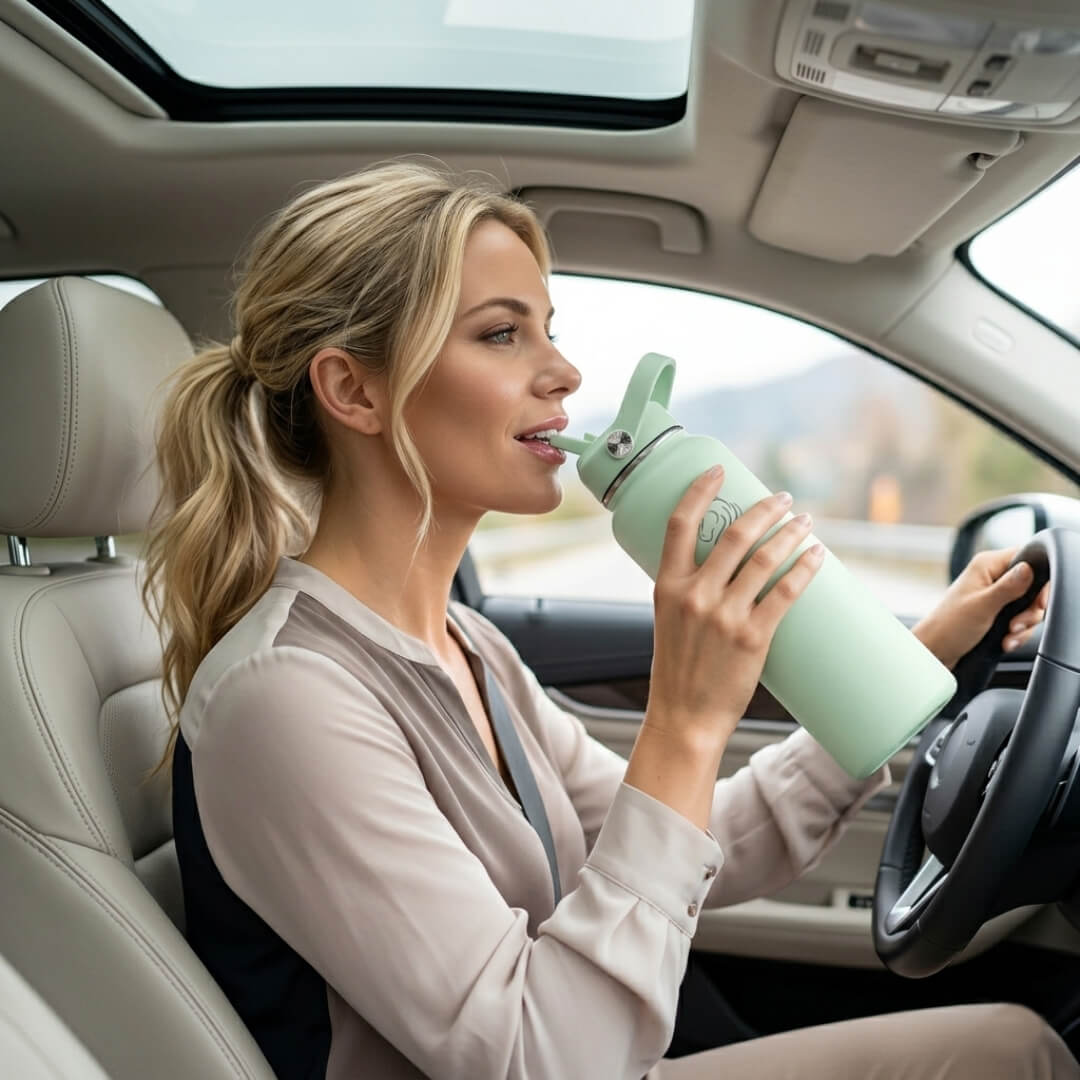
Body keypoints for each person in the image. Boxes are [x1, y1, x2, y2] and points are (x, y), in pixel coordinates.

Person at [142, 161, 1072, 1080]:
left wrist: (915, 657)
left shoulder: (471, 647)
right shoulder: (285, 698)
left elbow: (704, 843)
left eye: (548, 330)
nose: (564, 372)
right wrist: (684, 717)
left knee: (1011, 1045)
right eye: (502, 334)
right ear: (355, 391)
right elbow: (539, 1057)